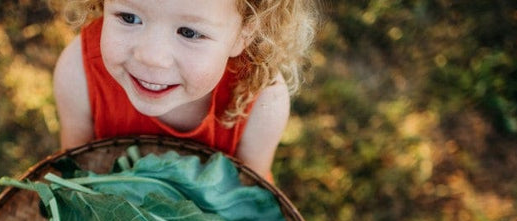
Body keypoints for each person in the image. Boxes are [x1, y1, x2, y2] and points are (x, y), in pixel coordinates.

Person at [50, 0, 319, 180]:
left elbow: (251, 201)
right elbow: (75, 176)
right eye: (129, 17)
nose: (151, 57)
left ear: (243, 36)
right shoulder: (78, 72)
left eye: (189, 33)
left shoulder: (261, 99)